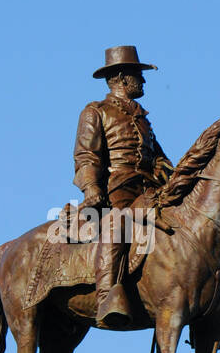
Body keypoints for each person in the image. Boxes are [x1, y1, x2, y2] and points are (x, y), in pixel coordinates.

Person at [73, 46, 173, 328]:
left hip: (148, 192)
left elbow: (160, 158)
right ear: (120, 77)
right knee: (117, 225)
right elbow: (86, 155)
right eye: (137, 75)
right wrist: (91, 187)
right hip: (116, 193)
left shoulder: (143, 120)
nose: (143, 81)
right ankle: (107, 297)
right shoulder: (96, 111)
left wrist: (178, 177)